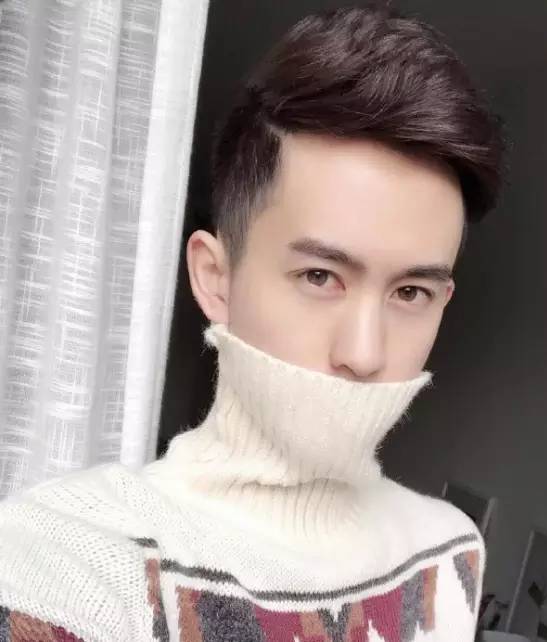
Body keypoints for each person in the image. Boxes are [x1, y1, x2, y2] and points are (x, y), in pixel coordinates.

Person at [0, 5, 504, 641]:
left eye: (410, 292)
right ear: (216, 277)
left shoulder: (451, 551)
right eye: (319, 276)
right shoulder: (64, 567)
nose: (364, 354)